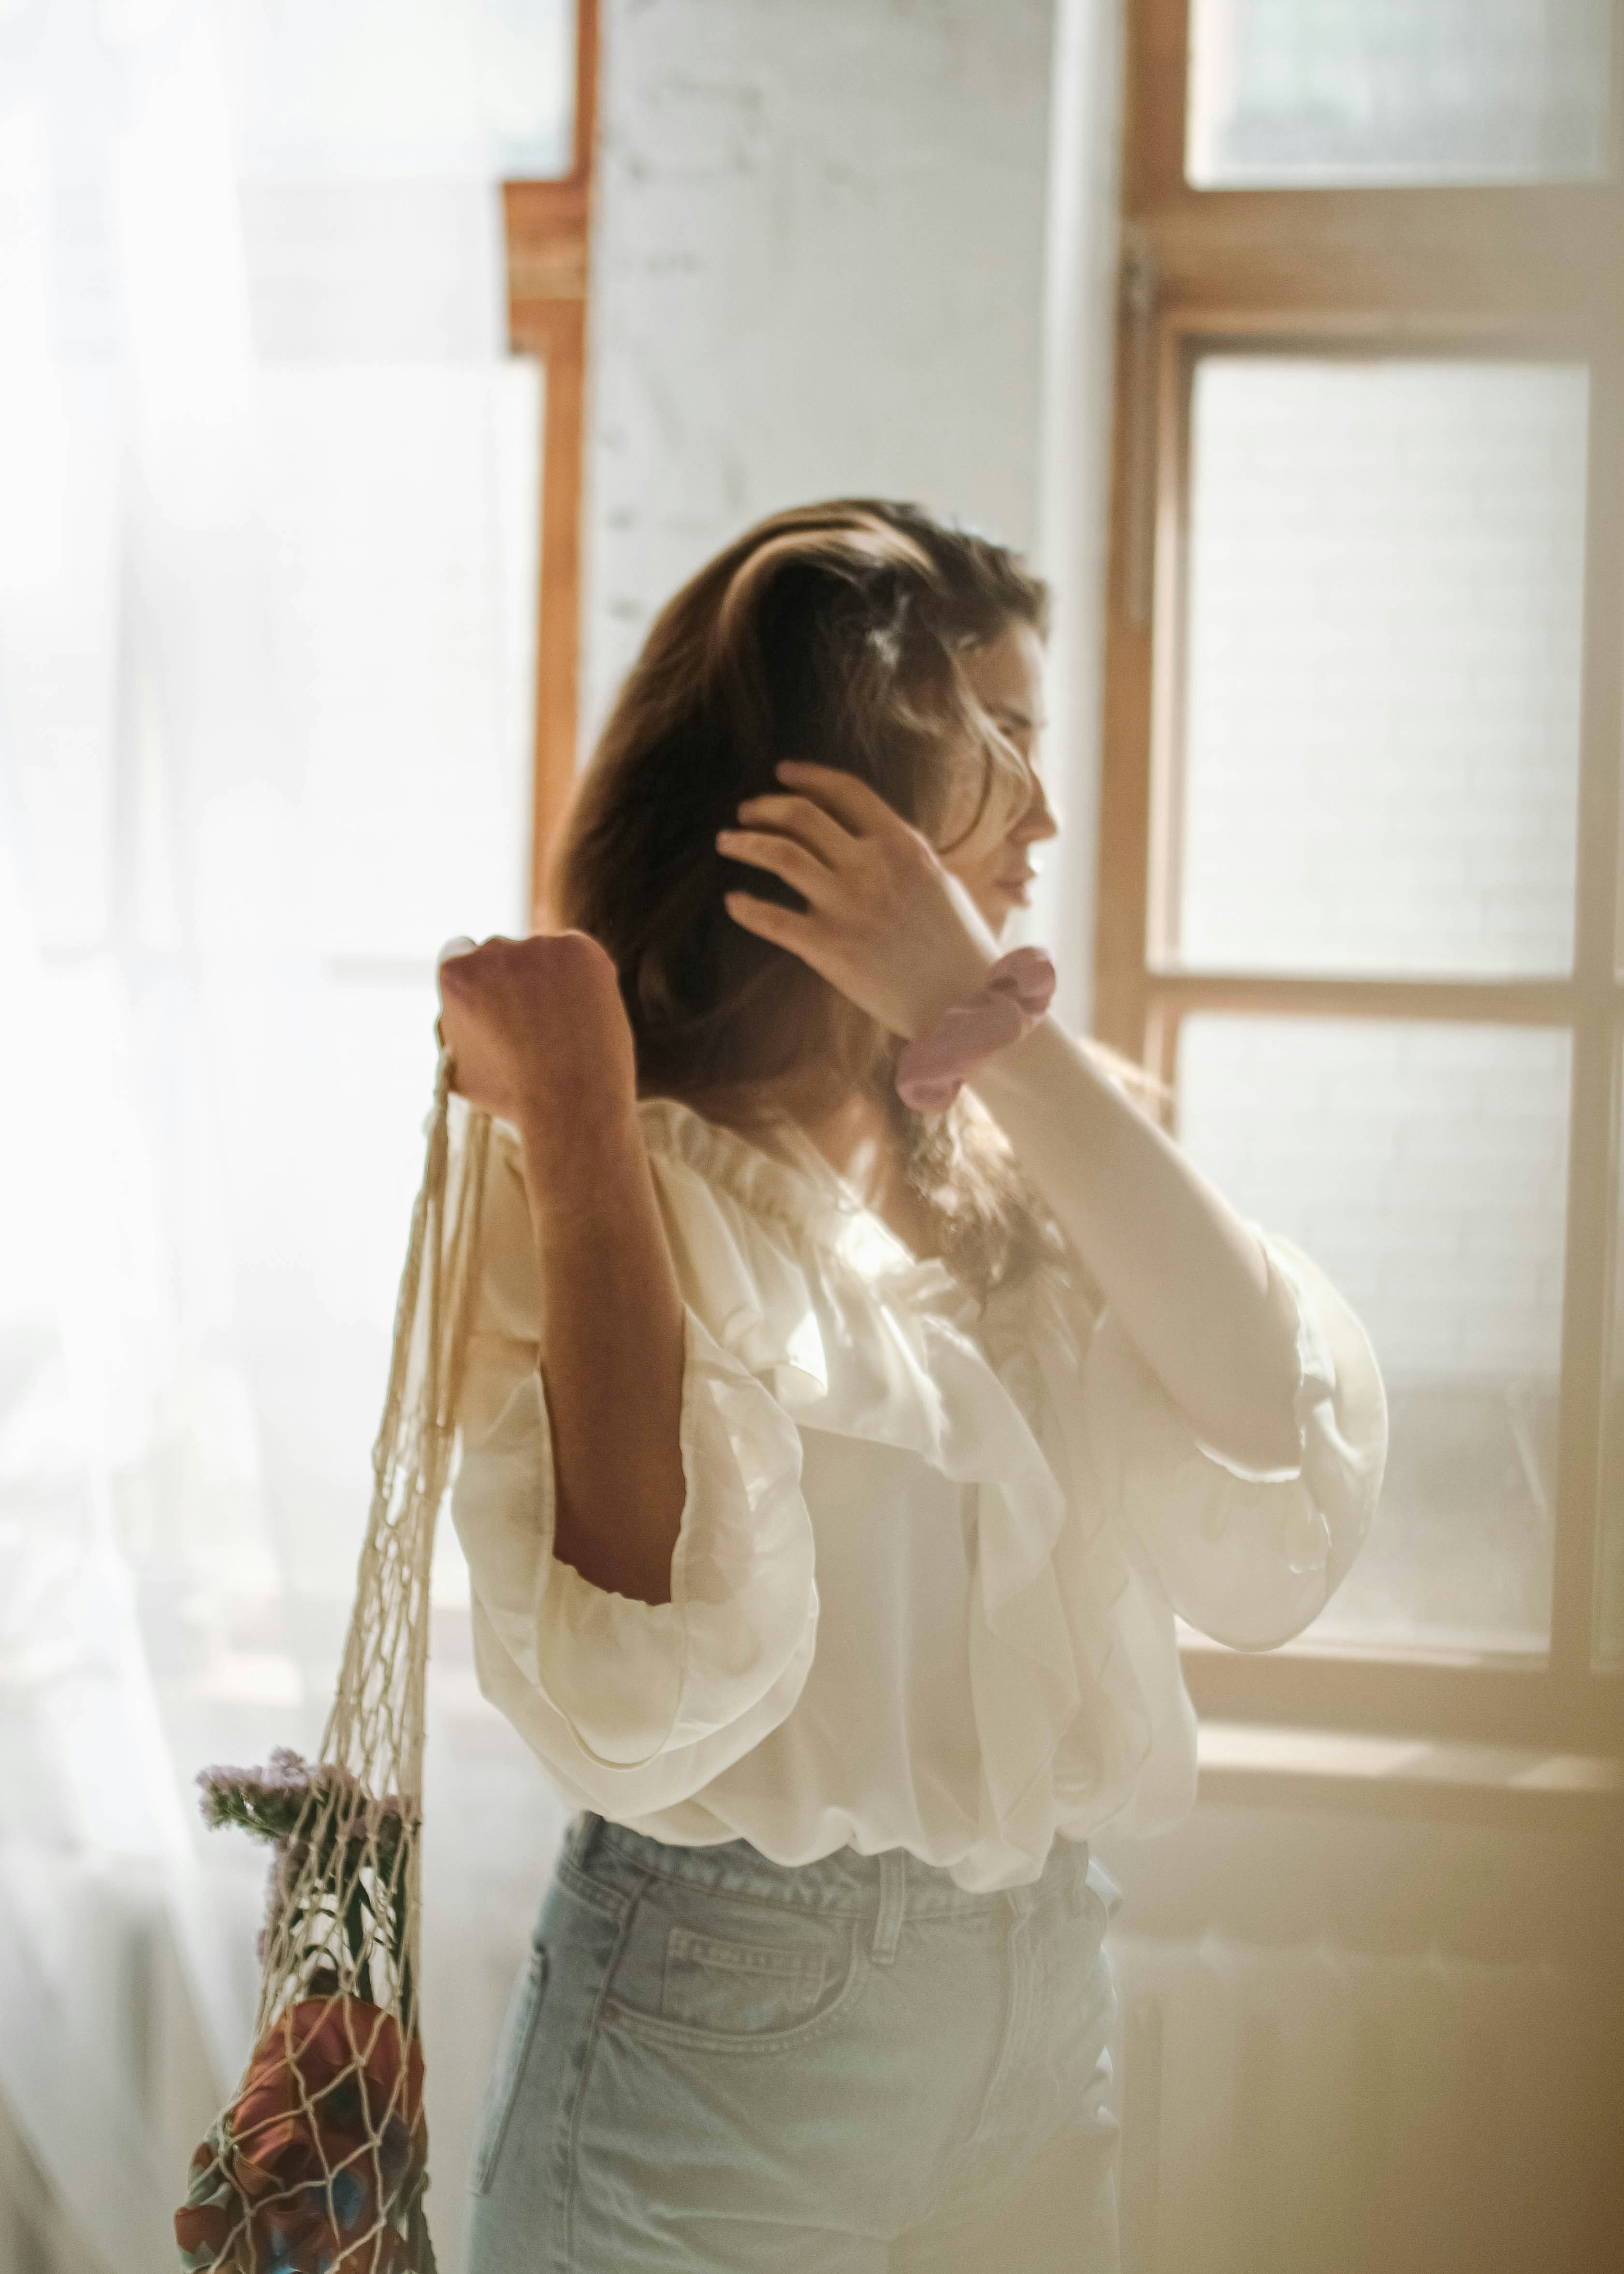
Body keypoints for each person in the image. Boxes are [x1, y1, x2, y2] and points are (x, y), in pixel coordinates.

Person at [435, 500, 1389, 2273]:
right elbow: (632, 1667)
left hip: (1042, 2007)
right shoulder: (615, 1161)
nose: (1045, 815)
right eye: (1003, 737)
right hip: (713, 2052)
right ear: (842, 781)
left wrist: (982, 1013)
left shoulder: (1039, 1144)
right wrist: (573, 1109)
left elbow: (1279, 1429)